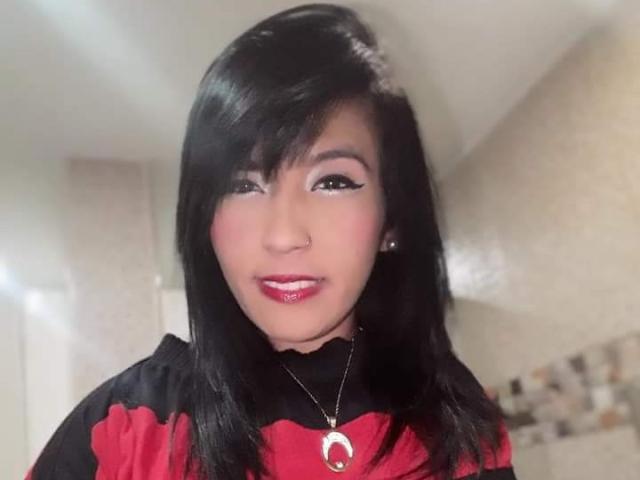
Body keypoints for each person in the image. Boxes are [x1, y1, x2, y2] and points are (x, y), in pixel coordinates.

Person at [25, 3, 517, 479]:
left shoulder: (454, 415)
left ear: (392, 220)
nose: (283, 237)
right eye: (243, 186)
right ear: (204, 221)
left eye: (332, 182)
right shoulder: (124, 428)